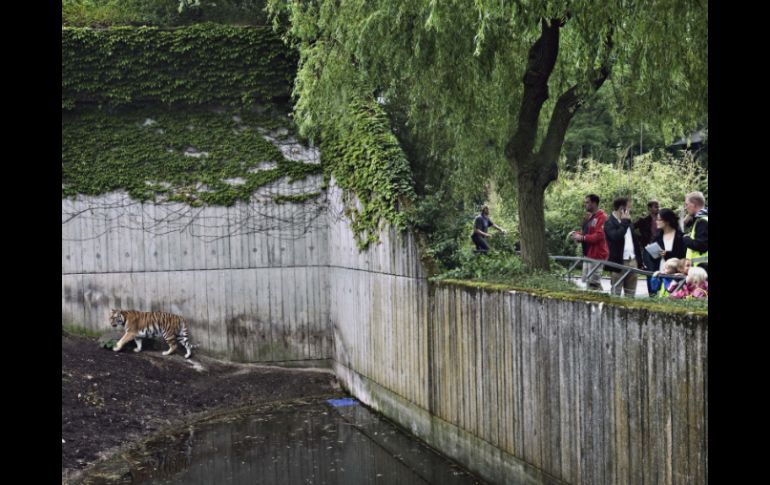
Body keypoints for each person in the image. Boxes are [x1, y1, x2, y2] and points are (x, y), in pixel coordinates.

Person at [604, 197, 643, 297]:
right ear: (622, 209)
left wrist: (639, 261)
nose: (630, 211)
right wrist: (625, 222)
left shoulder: (628, 221)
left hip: (632, 261)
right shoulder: (609, 222)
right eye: (628, 208)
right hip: (618, 263)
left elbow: (635, 242)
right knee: (615, 295)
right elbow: (616, 236)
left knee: (630, 295)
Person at [569, 194, 608, 291]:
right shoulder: (590, 217)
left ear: (594, 203)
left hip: (597, 255)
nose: (585, 205)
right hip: (587, 254)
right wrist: (576, 235)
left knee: (594, 283)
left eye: (587, 202)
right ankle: (592, 303)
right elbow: (586, 233)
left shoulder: (602, 217)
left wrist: (582, 237)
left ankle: (601, 303)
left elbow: (599, 236)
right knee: (588, 282)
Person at [635, 201, 660, 295]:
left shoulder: (662, 219)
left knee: (658, 270)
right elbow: (632, 227)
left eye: (658, 206)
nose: (657, 208)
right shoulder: (644, 220)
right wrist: (641, 239)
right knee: (650, 270)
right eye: (655, 207)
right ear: (649, 208)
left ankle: (657, 291)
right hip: (648, 248)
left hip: (659, 248)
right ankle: (651, 293)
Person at [682, 191, 708, 270]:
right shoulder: (702, 219)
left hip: (701, 270)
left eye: (687, 204)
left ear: (693, 205)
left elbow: (701, 245)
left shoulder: (702, 221)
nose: (686, 208)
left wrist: (685, 238)